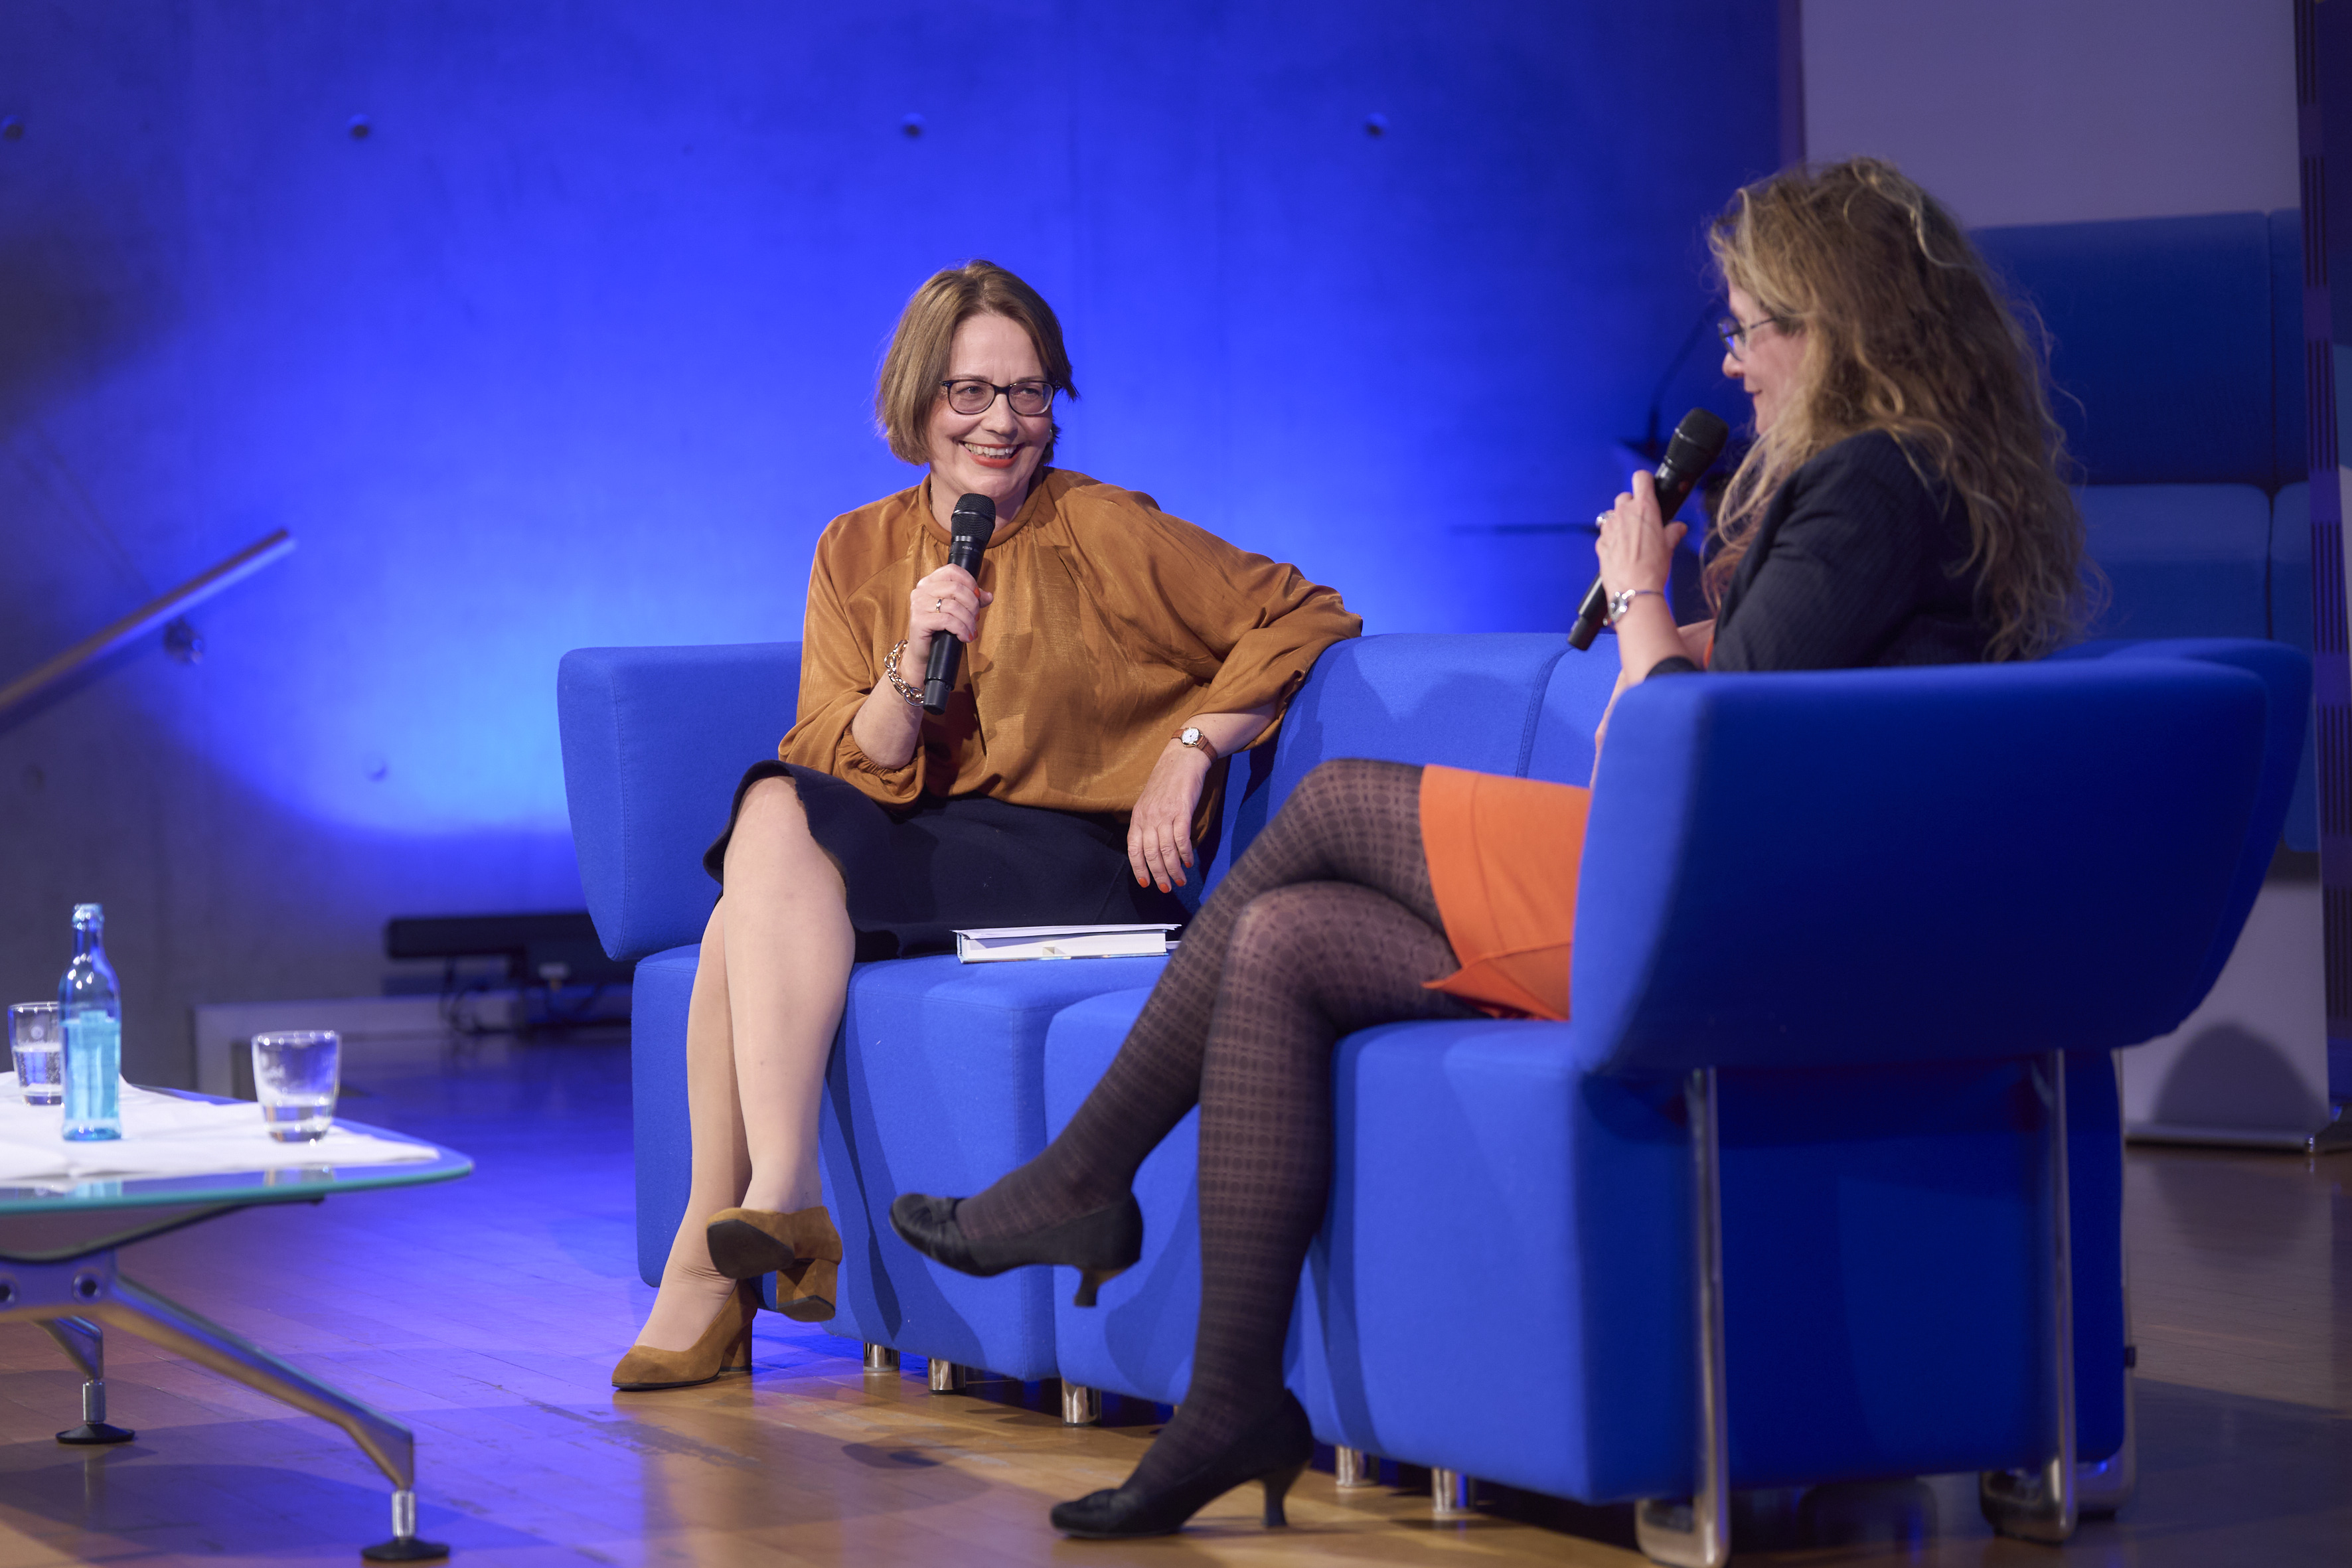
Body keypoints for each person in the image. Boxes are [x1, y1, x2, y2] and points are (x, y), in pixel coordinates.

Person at [890, 157, 2090, 1537]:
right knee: (1277, 941)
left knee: (1337, 808)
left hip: (1730, 903)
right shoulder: (1892, 478)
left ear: (1843, 324)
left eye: (1756, 323)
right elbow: (1789, 687)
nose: (1735, 356)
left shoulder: (1871, 482)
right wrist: (1693, 627)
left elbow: (1695, 742)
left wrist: (1641, 593)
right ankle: (1227, 1401)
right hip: (1725, 874)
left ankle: (1081, 1176)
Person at [609, 260, 1360, 1390]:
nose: (1002, 423)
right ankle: (764, 1214)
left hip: (1083, 865)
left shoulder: (1102, 528)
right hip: (938, 841)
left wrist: (1192, 748)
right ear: (918, 403)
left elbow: (1305, 610)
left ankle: (728, 1246)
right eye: (971, 393)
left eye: (1029, 392)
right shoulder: (854, 547)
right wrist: (909, 666)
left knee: (743, 900)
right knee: (768, 825)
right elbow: (845, 759)